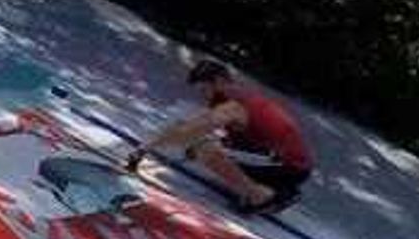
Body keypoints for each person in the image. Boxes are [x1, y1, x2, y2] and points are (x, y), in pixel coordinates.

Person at [130, 56, 313, 214]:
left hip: (287, 166)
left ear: (218, 82)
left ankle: (262, 196)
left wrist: (145, 148)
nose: (203, 95)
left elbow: (189, 131)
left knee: (202, 148)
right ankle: (275, 188)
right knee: (209, 146)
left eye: (204, 89)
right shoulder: (240, 94)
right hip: (289, 164)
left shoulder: (233, 105)